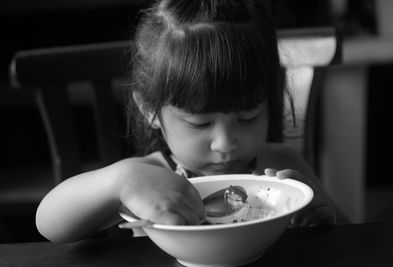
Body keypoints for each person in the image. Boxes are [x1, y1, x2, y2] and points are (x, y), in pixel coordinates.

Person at [36, 0, 338, 243]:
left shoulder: (282, 167)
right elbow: (49, 225)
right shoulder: (148, 180)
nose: (225, 143)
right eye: (199, 123)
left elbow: (351, 238)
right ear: (150, 110)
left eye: (248, 116)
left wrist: (323, 219)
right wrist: (122, 181)